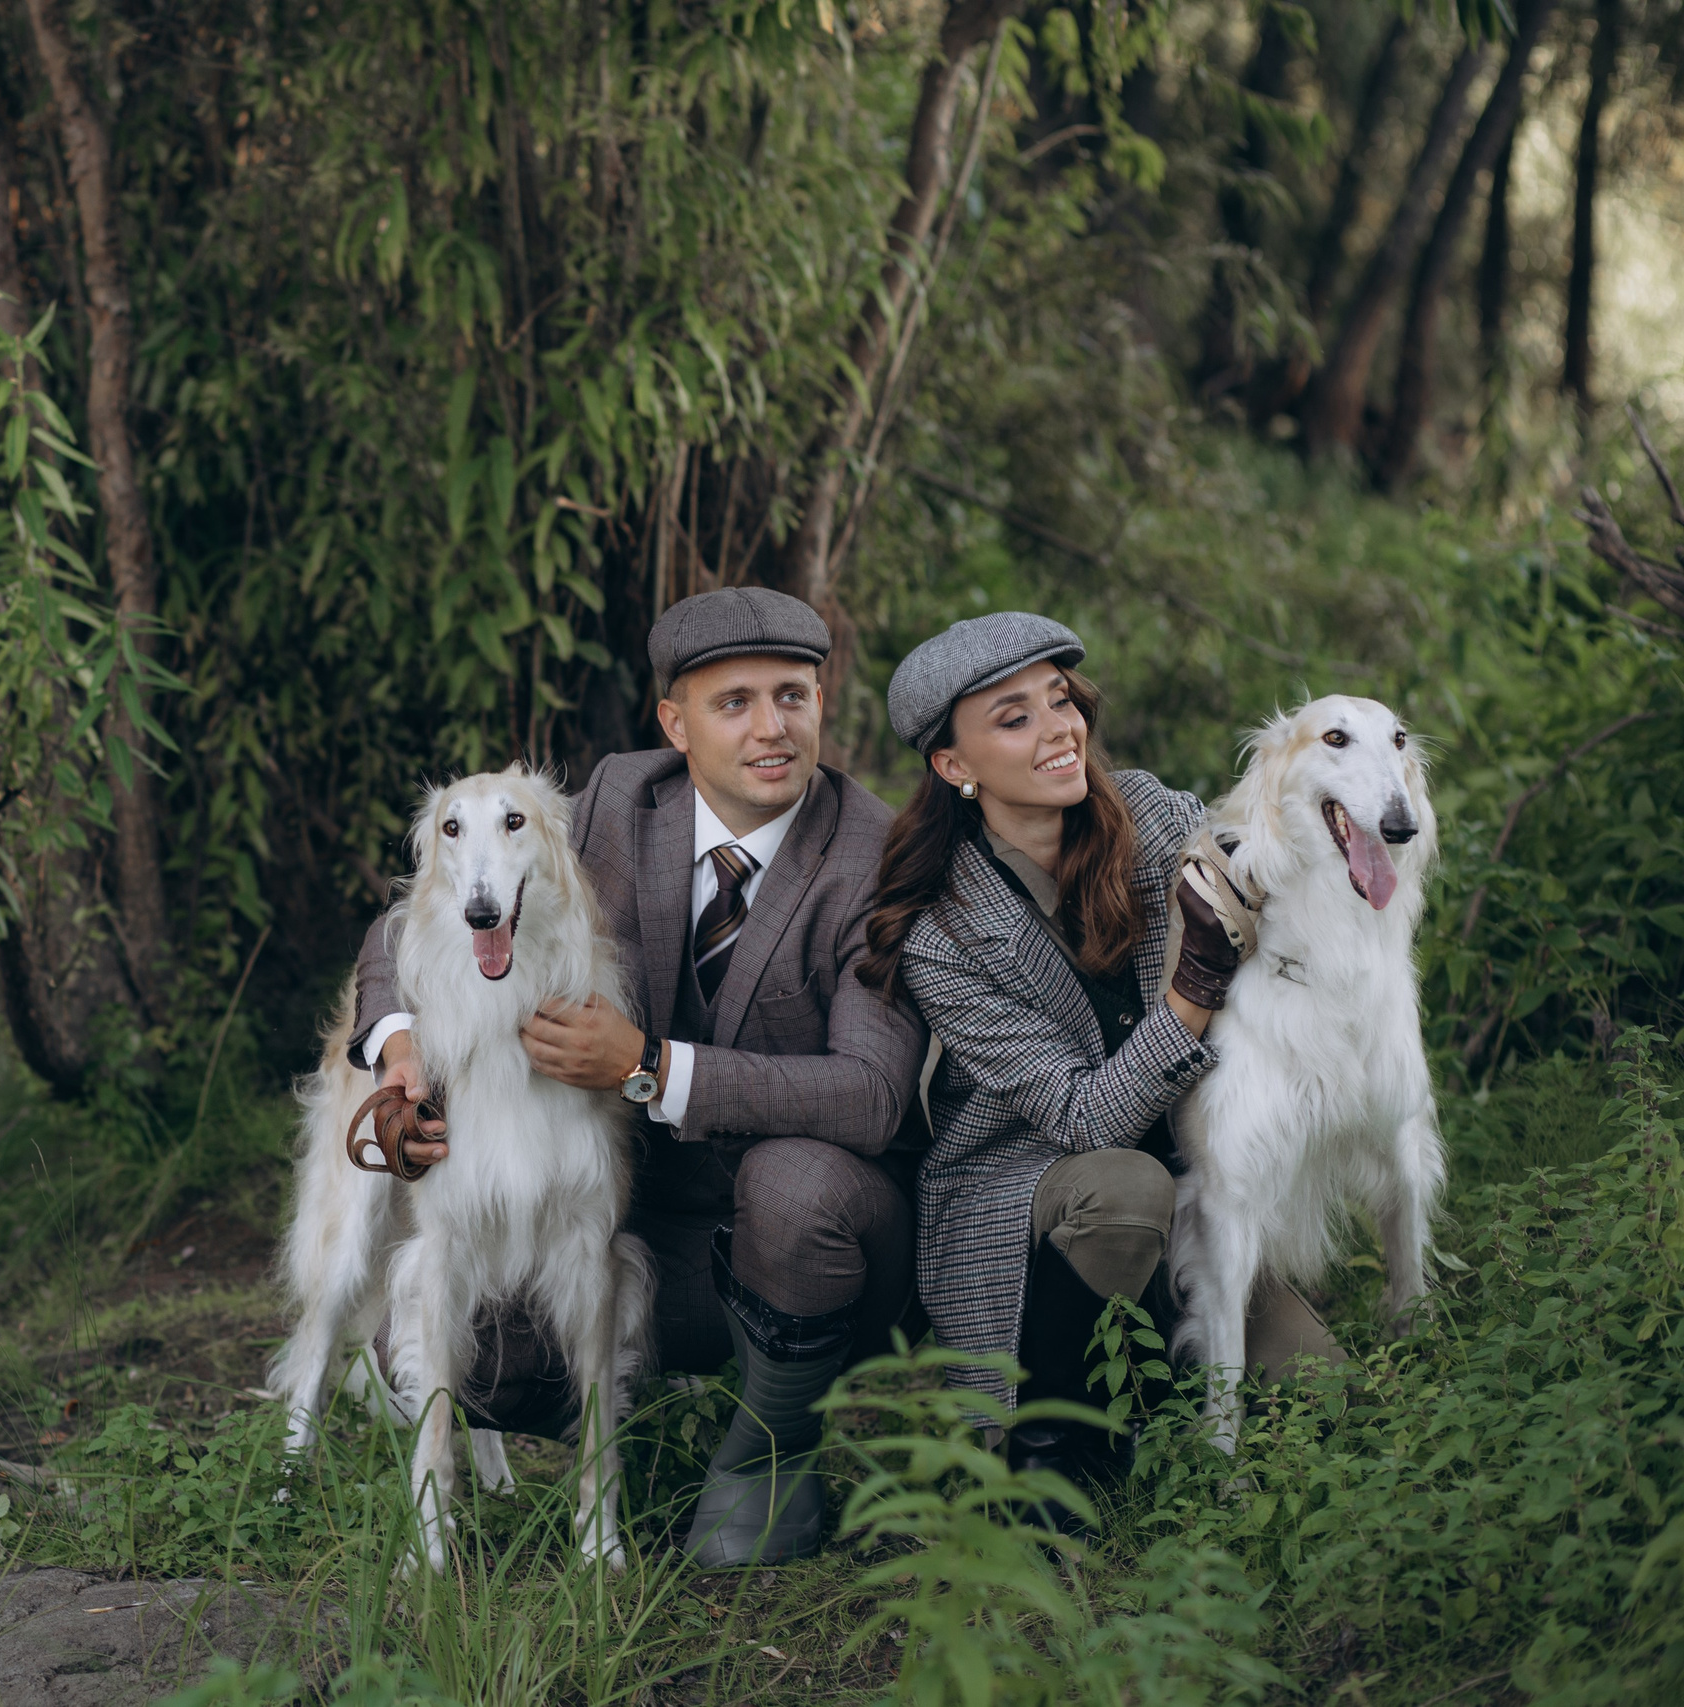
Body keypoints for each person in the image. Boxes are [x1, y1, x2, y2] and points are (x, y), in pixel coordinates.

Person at [349, 587, 927, 1567]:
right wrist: (397, 1041)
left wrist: (654, 1068)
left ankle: (772, 1451)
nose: (771, 728)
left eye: (793, 696)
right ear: (676, 722)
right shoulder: (622, 797)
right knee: (458, 1330)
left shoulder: (873, 852)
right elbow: (427, 908)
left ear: (824, 702)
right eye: (733, 702)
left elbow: (869, 1095)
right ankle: (613, 1441)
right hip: (632, 1229)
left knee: (799, 1184)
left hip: (804, 1245)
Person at [858, 611, 1341, 1517]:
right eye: (1015, 718)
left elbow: (1271, 881)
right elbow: (1084, 1118)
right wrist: (1196, 982)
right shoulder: (944, 931)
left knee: (1325, 1393)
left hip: (1189, 1176)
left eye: (1060, 699)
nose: (1059, 729)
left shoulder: (1152, 815)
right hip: (1027, 1190)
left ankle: (1150, 1383)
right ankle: (1041, 1460)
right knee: (1123, 1183)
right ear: (953, 766)